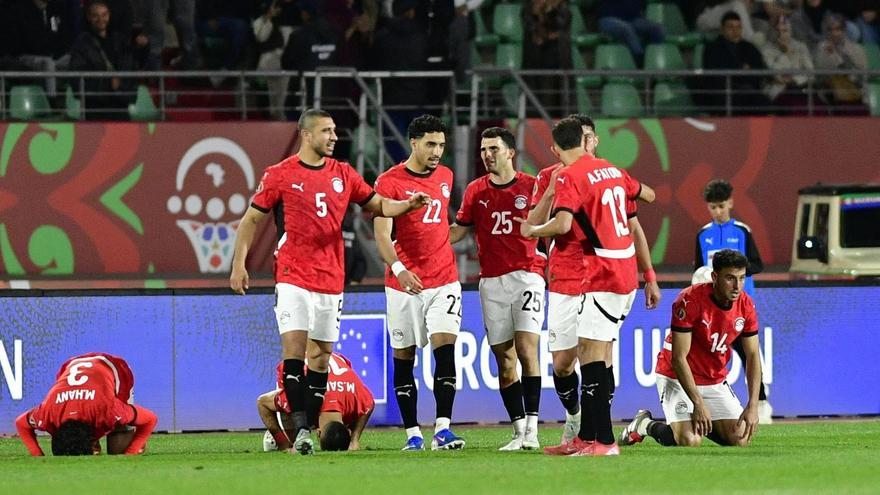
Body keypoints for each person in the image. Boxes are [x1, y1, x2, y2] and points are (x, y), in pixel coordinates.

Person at [230, 108, 430, 456]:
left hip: (331, 280)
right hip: (293, 276)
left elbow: (377, 204)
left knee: (320, 357)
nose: (334, 136)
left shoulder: (344, 174)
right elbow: (251, 221)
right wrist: (238, 263)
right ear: (306, 135)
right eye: (326, 130)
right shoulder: (280, 175)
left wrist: (408, 205)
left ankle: (307, 427)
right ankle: (303, 430)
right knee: (295, 350)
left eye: (334, 130)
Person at [520, 116, 655, 457]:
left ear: (557, 147)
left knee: (594, 356)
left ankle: (604, 442)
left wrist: (532, 232)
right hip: (609, 274)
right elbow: (648, 193)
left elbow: (562, 223)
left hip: (600, 274)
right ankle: (587, 436)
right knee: (579, 358)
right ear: (585, 140)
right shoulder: (610, 170)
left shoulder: (570, 175)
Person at [449, 127, 545, 451]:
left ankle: (533, 428)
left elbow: (555, 227)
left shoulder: (532, 187)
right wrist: (422, 236)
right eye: (483, 150)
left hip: (528, 276)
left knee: (527, 348)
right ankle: (519, 432)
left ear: (510, 153)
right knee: (504, 361)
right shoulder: (476, 190)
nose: (487, 155)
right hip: (491, 282)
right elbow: (458, 232)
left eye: (493, 149)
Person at [373, 114, 465, 451]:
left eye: (441, 144)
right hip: (404, 283)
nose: (437, 151)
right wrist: (399, 269)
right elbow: (381, 234)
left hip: (444, 279)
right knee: (404, 356)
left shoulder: (446, 176)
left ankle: (443, 429)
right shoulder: (389, 181)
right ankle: (413, 433)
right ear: (413, 143)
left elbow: (441, 226)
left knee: (445, 348)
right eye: (430, 144)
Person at [619, 249, 763, 448]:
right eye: (730, 278)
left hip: (713, 379)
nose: (737, 286)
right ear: (715, 277)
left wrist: (754, 405)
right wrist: (698, 403)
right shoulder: (689, 301)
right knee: (689, 440)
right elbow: (678, 358)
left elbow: (753, 355)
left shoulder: (746, 305)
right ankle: (644, 424)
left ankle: (693, 424)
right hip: (676, 376)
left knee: (740, 439)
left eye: (741, 278)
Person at [694, 178, 771, 423]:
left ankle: (760, 403)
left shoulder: (742, 231)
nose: (718, 211)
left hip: (739, 309)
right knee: (704, 355)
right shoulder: (702, 235)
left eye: (722, 206)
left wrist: (735, 272)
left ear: (730, 203)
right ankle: (700, 404)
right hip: (711, 309)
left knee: (751, 355)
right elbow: (698, 272)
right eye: (713, 207)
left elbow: (757, 263)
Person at [15, 352, 158, 456]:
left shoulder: (109, 410)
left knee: (118, 449)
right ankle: (87, 444)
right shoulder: (47, 414)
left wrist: (131, 452)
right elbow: (21, 423)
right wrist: (37, 456)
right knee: (72, 444)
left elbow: (150, 419)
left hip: (113, 367)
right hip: (70, 366)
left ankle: (118, 434)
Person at [258, 350, 374, 452]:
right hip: (295, 370)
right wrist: (283, 444)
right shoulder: (302, 398)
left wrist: (354, 440)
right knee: (293, 411)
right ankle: (287, 441)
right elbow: (262, 403)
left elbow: (370, 404)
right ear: (317, 433)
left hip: (330, 358)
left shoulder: (355, 400)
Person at [68, 0, 136, 120]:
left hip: (121, 108)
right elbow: (77, 81)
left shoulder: (119, 41)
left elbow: (132, 67)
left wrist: (144, 48)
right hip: (95, 111)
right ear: (88, 17)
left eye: (104, 15)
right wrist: (108, 85)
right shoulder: (81, 44)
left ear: (109, 15)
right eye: (96, 15)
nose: (101, 19)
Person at [700, 11, 771, 115]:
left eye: (738, 27)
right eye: (731, 27)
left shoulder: (749, 47)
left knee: (763, 102)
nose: (735, 31)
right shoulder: (712, 48)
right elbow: (714, 76)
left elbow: (759, 69)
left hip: (749, 91)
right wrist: (741, 70)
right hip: (724, 95)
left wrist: (746, 73)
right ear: (722, 29)